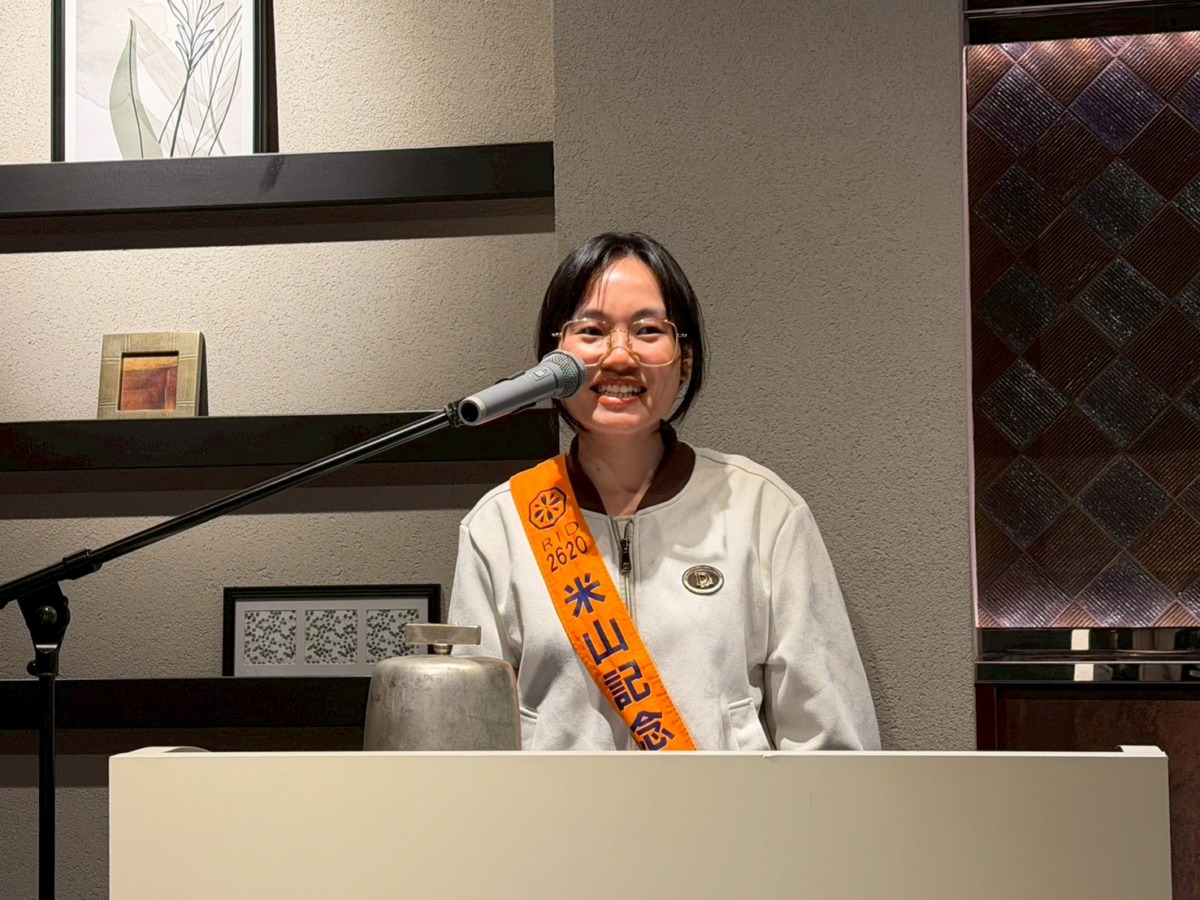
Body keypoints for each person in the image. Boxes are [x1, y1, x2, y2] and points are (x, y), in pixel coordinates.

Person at [448, 232, 879, 751]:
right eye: (592, 331)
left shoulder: (763, 511)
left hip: (717, 807)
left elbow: (826, 739)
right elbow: (470, 744)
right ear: (552, 361)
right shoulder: (500, 526)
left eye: (648, 330)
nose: (619, 356)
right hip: (556, 808)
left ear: (685, 359)